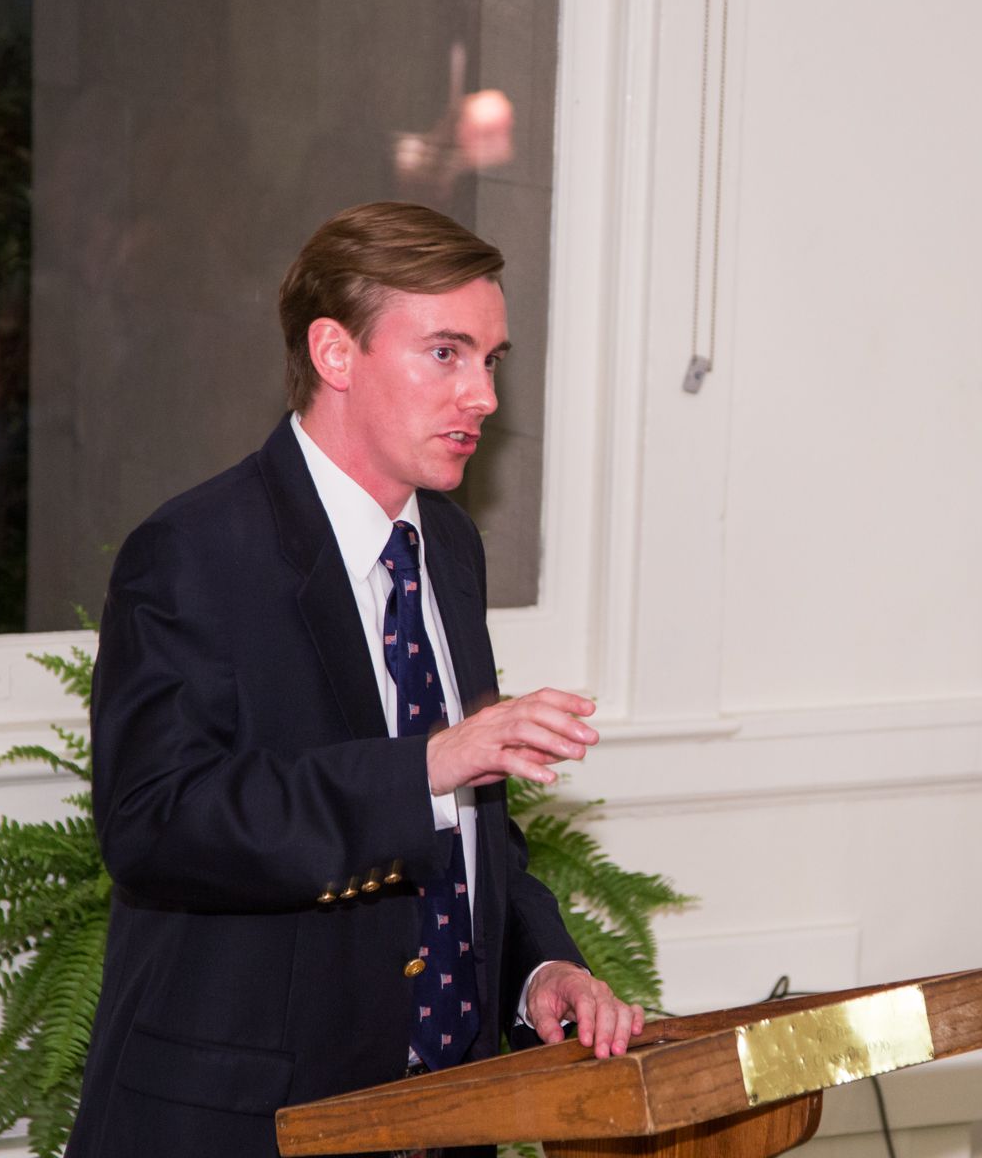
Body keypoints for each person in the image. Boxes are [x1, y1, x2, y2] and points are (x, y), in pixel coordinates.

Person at [66, 202, 642, 1158]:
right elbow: (157, 825)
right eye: (447, 354)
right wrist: (426, 765)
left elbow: (467, 834)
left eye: (491, 360)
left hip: (448, 1118)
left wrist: (538, 972)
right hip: (250, 1126)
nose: (485, 397)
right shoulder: (192, 553)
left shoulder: (447, 547)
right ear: (335, 354)